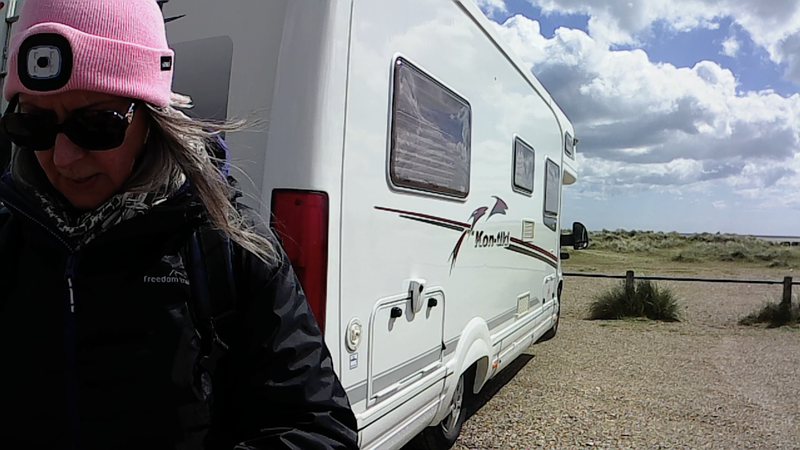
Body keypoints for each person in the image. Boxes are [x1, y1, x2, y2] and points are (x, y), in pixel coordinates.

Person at [0, 0, 360, 449]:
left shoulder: (229, 251)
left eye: (97, 124)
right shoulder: (7, 240)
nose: (63, 156)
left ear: (154, 119)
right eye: (33, 125)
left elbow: (317, 429)